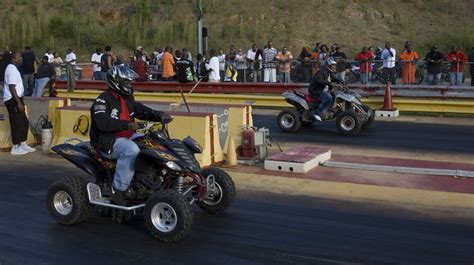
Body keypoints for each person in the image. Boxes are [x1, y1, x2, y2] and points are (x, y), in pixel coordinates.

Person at [90, 65, 171, 205]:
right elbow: (102, 122)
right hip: (108, 141)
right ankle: (118, 190)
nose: (130, 84)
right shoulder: (102, 100)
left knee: (152, 142)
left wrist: (159, 115)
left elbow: (140, 109)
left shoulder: (127, 98)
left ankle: (150, 179)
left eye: (130, 82)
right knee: (131, 150)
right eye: (127, 82)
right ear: (117, 82)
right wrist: (126, 124)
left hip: (128, 136)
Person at [3, 51, 36, 155]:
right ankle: (15, 147)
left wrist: (21, 100)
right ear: (14, 60)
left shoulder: (14, 69)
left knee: (23, 122)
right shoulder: (11, 70)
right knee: (17, 123)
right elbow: (12, 87)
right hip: (13, 100)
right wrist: (19, 103)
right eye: (19, 58)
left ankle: (23, 144)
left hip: (17, 98)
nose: (21, 59)